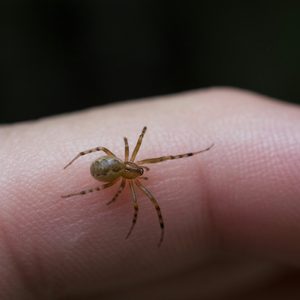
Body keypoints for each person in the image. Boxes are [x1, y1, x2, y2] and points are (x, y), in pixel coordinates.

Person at [1, 87, 300, 299]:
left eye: (137, 170)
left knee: (149, 200)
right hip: (106, 166)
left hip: (110, 166)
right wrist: (89, 187)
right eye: (137, 170)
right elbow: (113, 169)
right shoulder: (125, 172)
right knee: (145, 198)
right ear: (132, 163)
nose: (141, 172)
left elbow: (140, 173)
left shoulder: (131, 172)